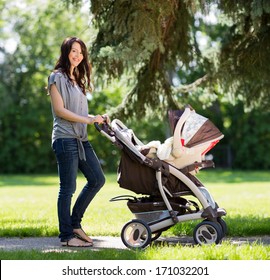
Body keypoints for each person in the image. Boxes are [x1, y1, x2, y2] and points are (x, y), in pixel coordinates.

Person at [47, 37, 107, 247]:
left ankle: (75, 224)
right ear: (66, 52)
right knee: (68, 188)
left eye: (80, 52)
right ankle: (66, 237)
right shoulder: (56, 78)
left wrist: (95, 118)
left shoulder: (77, 80)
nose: (77, 55)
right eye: (73, 51)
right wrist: (88, 120)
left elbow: (79, 111)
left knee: (97, 179)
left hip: (81, 139)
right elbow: (60, 111)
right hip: (65, 139)